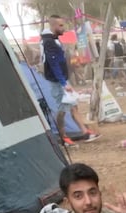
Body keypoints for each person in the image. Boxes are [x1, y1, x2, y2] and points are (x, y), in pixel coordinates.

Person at [41, 15, 100, 144]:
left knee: (73, 106)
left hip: (63, 80)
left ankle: (85, 132)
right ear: (53, 26)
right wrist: (63, 82)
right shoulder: (49, 42)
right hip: (57, 82)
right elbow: (53, 64)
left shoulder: (54, 40)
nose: (63, 28)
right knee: (62, 109)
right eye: (61, 25)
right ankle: (64, 137)